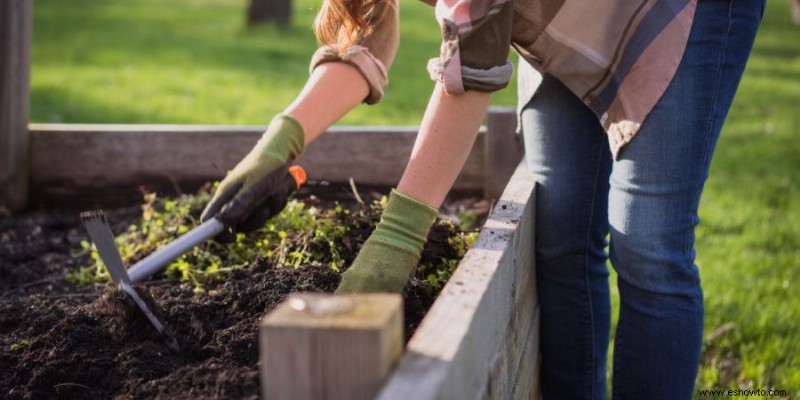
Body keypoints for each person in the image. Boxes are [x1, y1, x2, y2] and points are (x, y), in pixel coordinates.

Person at [200, 0, 764, 398]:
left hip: (676, 13)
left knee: (647, 244)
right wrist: (281, 140)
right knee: (561, 237)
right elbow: (362, 31)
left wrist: (394, 246)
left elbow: (468, 75)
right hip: (559, 22)